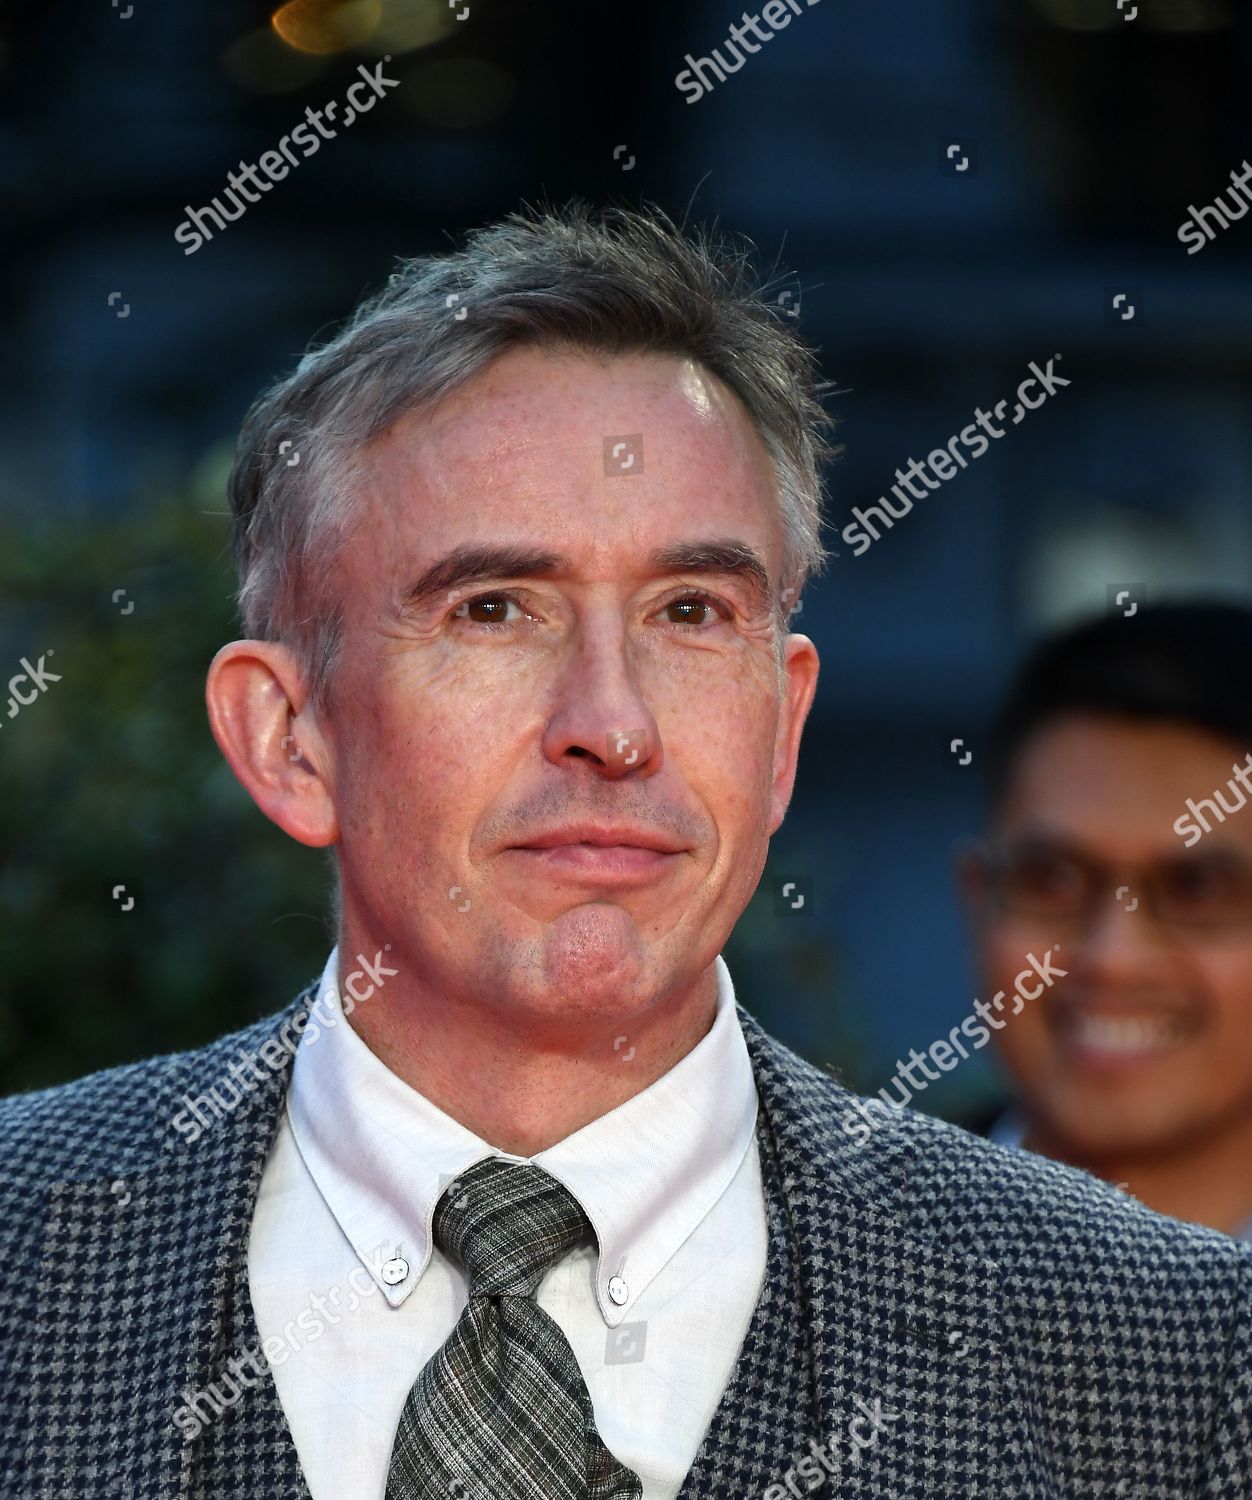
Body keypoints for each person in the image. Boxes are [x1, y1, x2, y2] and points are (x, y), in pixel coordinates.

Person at [1, 206, 1249, 1500]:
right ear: (287, 738)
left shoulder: (1172, 1352)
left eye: (692, 613)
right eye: (494, 610)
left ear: (783, 726)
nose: (612, 724)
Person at [958, 603, 1252, 1246]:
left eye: (1198, 890)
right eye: (1055, 881)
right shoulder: (822, 1252)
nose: (1113, 959)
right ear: (978, 902)